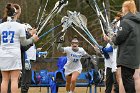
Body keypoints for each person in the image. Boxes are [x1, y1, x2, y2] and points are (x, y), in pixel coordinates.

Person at [0, 3, 38, 93]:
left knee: (4, 80)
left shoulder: (1, 26)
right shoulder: (20, 26)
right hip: (14, 56)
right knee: (14, 80)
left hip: (3, 55)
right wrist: (33, 39)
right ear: (15, 14)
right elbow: (24, 43)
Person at [111, 0, 140, 93]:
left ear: (126, 8)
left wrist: (113, 38)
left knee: (127, 80)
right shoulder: (137, 21)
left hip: (126, 56)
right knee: (131, 78)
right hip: (135, 55)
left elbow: (119, 39)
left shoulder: (126, 21)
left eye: (123, 7)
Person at [20, 23, 37, 93]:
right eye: (29, 30)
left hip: (30, 60)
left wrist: (37, 50)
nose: (31, 31)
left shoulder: (30, 39)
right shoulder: (26, 38)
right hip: (26, 60)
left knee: (27, 79)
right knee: (25, 79)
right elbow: (24, 48)